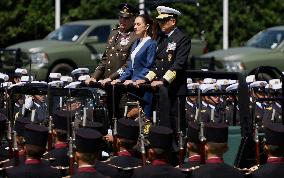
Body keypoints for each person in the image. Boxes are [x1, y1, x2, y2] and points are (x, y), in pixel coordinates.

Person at [136, 6, 191, 134]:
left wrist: (164, 81)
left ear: (173, 21)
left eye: (164, 20)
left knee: (176, 124)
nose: (161, 23)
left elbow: (178, 64)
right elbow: (158, 64)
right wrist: (145, 79)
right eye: (160, 21)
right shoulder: (161, 39)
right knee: (163, 123)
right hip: (163, 90)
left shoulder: (182, 38)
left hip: (175, 89)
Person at [111, 14, 157, 118]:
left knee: (144, 120)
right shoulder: (136, 42)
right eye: (134, 24)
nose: (135, 27)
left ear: (147, 26)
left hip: (144, 87)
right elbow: (130, 67)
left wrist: (135, 79)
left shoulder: (151, 44)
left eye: (138, 24)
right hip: (133, 87)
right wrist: (120, 79)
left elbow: (149, 67)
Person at [86, 3, 139, 85]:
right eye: (120, 17)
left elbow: (128, 65)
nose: (122, 20)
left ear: (133, 19)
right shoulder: (114, 33)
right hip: (107, 82)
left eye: (126, 18)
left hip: (121, 83)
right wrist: (94, 77)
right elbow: (104, 59)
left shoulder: (135, 37)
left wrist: (111, 78)